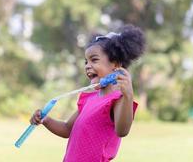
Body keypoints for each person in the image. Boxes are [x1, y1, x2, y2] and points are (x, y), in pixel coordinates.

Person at [30, 24, 146, 162]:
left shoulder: (118, 100)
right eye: (86, 61)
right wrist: (45, 120)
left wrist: (128, 95)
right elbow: (67, 129)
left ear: (115, 64)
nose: (87, 66)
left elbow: (122, 131)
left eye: (94, 59)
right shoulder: (88, 99)